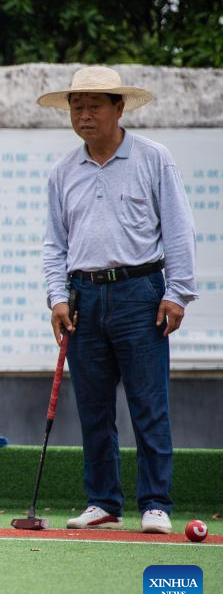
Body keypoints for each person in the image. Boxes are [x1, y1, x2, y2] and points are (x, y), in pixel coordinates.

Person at [39, 66, 197, 534]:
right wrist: (56, 298)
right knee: (93, 405)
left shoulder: (153, 158)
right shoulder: (63, 171)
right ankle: (103, 500)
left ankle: (155, 503)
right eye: (76, 106)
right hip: (82, 294)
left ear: (118, 108)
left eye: (94, 105)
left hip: (140, 292)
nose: (84, 115)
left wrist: (177, 293)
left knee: (149, 403)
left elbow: (179, 228)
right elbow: (54, 242)